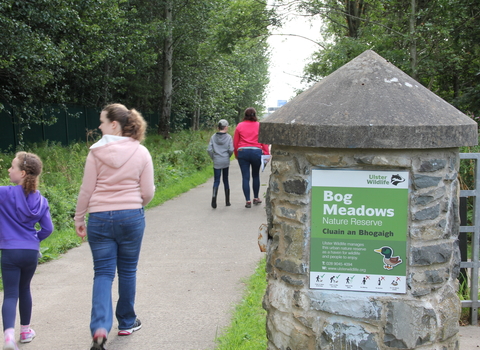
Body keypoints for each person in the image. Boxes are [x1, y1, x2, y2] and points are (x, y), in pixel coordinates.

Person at [74, 103, 155, 350]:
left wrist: (79, 218)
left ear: (114, 125)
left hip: (98, 218)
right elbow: (148, 192)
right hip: (131, 216)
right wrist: (134, 206)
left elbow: (87, 189)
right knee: (128, 271)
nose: (98, 126)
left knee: (103, 273)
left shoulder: (95, 153)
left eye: (101, 121)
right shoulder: (141, 152)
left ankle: (99, 328)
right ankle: (127, 322)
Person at [0, 152, 54, 350]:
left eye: (12, 167)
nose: (9, 169)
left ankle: (8, 338)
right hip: (30, 253)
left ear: (22, 173)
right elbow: (48, 229)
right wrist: (33, 239)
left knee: (11, 293)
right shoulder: (41, 200)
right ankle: (25, 331)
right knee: (25, 289)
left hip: (10, 252)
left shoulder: (4, 193)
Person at [233, 107, 270, 208]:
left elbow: (235, 143)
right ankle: (256, 197)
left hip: (243, 152)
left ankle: (248, 200)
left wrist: (236, 154)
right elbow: (264, 142)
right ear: (255, 115)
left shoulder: (239, 126)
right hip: (256, 152)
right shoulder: (259, 126)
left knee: (245, 177)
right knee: (255, 175)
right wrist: (266, 154)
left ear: (245, 115)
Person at [207, 119, 234, 208]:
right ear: (226, 127)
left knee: (216, 180)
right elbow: (231, 149)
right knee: (225, 180)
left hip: (217, 160)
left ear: (218, 127)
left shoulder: (213, 137)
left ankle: (214, 199)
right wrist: (228, 156)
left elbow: (209, 149)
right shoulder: (229, 137)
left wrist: (213, 157)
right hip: (225, 160)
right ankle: (227, 201)